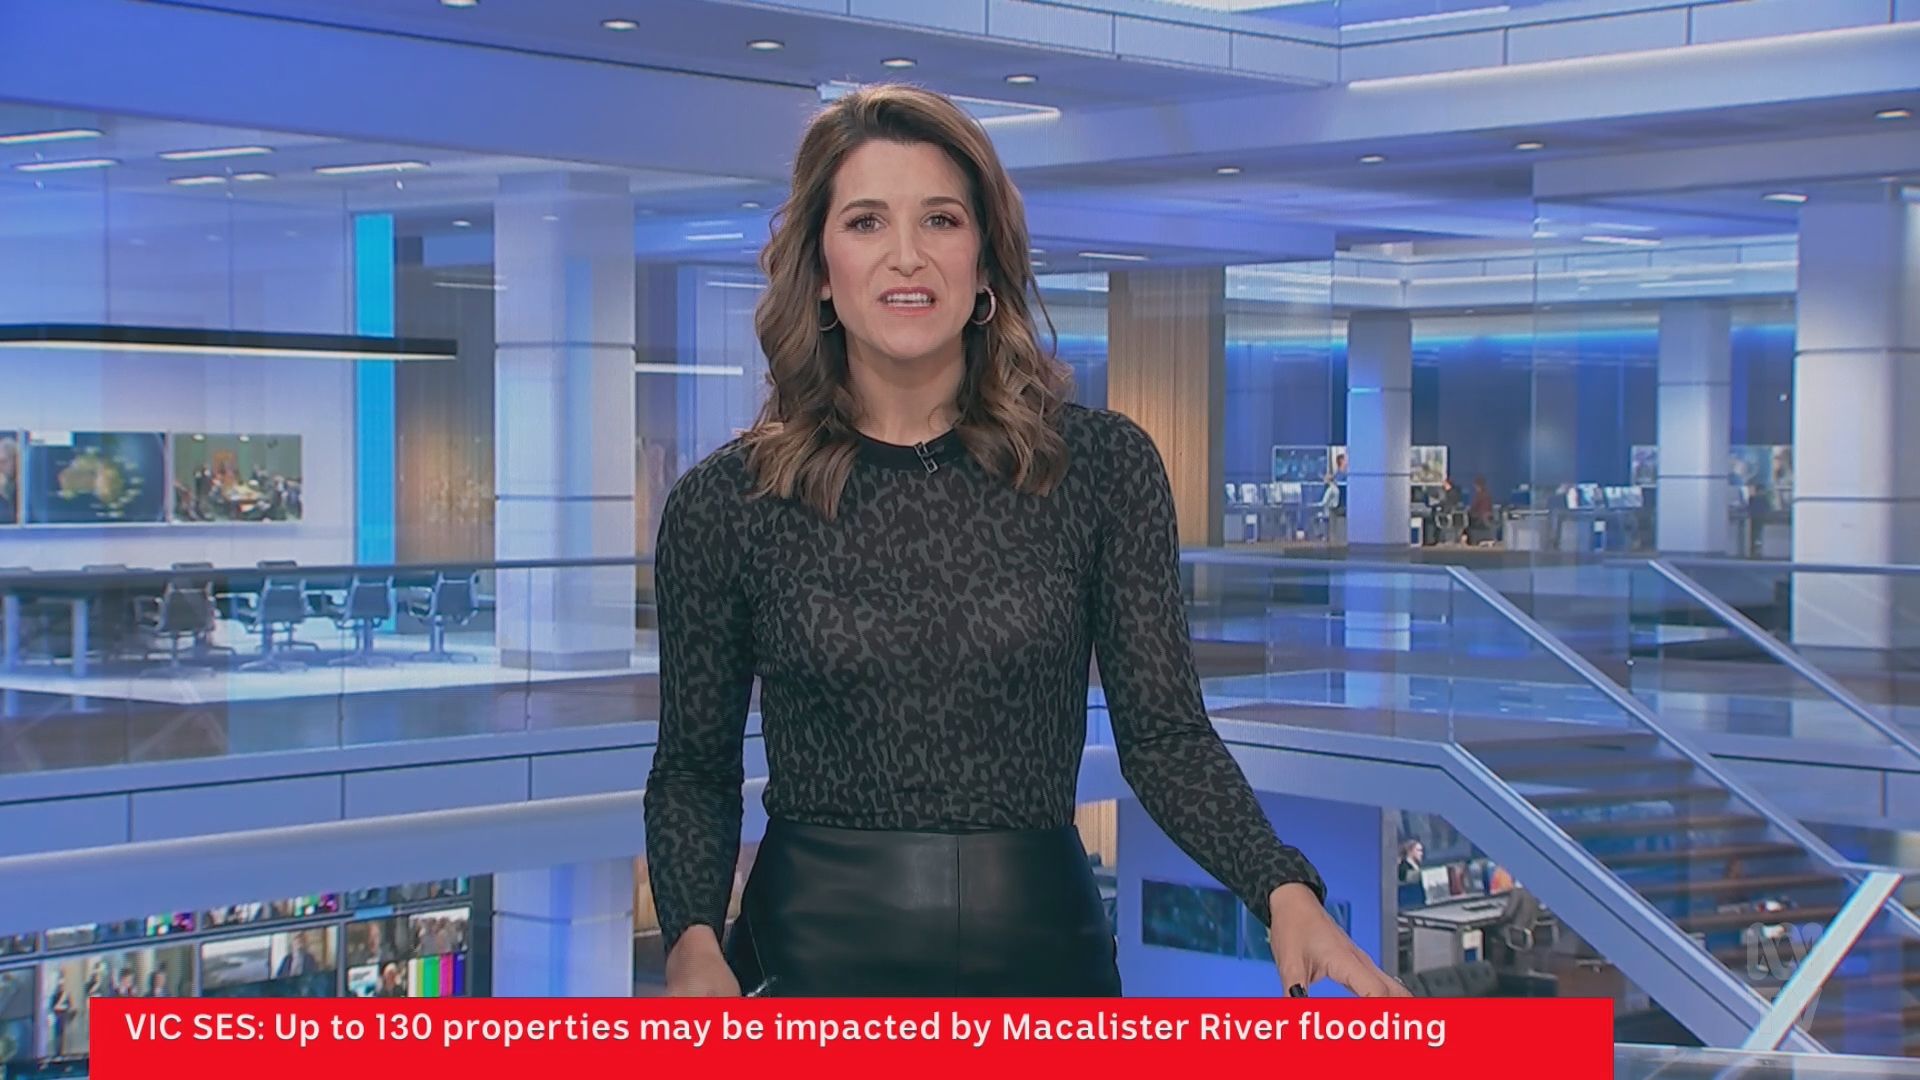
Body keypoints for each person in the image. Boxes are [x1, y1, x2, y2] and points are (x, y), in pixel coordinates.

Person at [643, 84, 1405, 1000]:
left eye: (941, 219)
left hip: (1046, 969)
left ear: (985, 265)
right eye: (866, 222)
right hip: (810, 969)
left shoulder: (1101, 469)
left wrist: (1282, 890)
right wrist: (692, 942)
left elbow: (1166, 738)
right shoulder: (727, 504)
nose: (907, 255)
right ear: (819, 271)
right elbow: (694, 770)